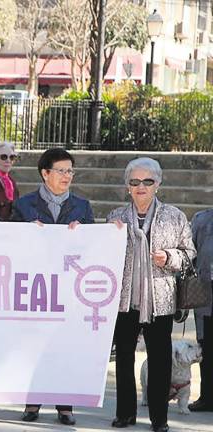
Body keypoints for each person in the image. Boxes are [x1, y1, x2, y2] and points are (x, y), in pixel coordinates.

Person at [107, 158, 195, 432]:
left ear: (158, 184)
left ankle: (159, 419)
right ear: (127, 187)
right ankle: (125, 414)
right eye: (135, 182)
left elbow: (189, 255)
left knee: (160, 359)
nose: (141, 186)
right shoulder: (116, 218)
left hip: (161, 300)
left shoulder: (175, 216)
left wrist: (168, 257)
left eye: (147, 181)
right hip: (124, 299)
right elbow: (103, 255)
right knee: (123, 357)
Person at [11, 148, 94, 426]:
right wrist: (25, 233)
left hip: (69, 286)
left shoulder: (82, 207)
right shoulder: (24, 205)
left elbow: (95, 246)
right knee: (34, 343)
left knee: (64, 344)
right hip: (35, 286)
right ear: (45, 173)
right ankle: (32, 402)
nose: (67, 176)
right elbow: (8, 242)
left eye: (70, 171)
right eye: (61, 170)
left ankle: (65, 405)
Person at [191, 207, 213, 412]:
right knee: (206, 347)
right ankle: (207, 397)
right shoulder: (201, 218)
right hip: (206, 295)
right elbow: (191, 253)